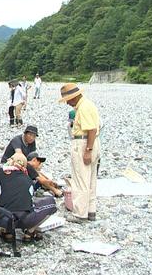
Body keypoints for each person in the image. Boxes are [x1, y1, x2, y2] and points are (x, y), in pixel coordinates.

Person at [58, 83, 101, 223]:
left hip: (83, 143)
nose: (68, 103)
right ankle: (90, 210)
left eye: (68, 100)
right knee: (91, 178)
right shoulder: (87, 105)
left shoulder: (83, 108)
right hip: (92, 142)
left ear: (74, 97)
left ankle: (80, 213)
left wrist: (87, 150)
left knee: (80, 179)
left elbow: (92, 129)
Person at [0, 153, 57, 242]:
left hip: (3, 217)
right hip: (24, 220)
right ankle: (30, 232)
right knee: (52, 203)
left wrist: (0, 194)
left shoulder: (0, 171)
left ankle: (7, 232)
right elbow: (29, 199)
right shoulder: (28, 179)